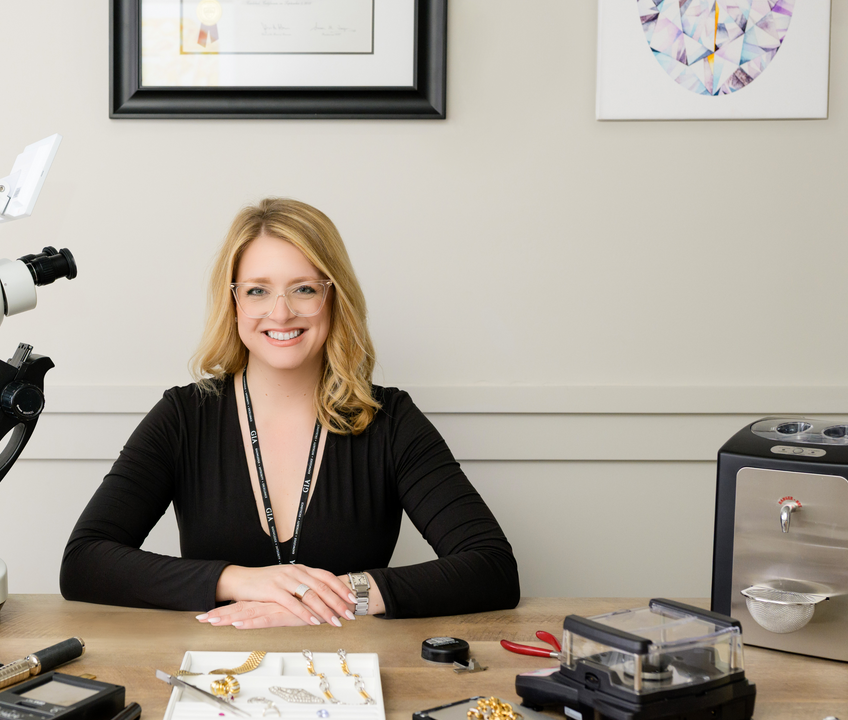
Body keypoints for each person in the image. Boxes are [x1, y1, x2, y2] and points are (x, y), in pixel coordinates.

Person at [59, 198, 519, 629]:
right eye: (258, 290)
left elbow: (492, 567)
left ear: (333, 296)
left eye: (303, 289)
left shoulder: (390, 418)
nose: (280, 313)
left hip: (349, 670)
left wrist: (332, 598)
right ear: (234, 302)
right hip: (218, 670)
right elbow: (84, 561)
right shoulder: (183, 416)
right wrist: (242, 580)